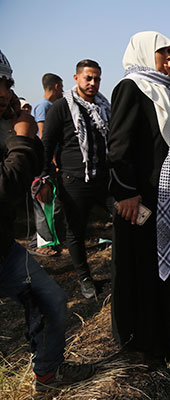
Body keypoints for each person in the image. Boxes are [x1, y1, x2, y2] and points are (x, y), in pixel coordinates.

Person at [0, 49, 95, 392]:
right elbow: (8, 184)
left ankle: (48, 373)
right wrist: (23, 135)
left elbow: (32, 160)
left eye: (6, 83)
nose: (3, 91)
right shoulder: (25, 123)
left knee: (51, 299)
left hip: (4, 248)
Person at [108, 31, 170, 355]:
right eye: (163, 53)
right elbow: (118, 146)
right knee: (141, 269)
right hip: (142, 199)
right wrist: (127, 193)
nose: (169, 59)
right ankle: (145, 341)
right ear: (147, 53)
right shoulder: (131, 87)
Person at [39, 59, 112, 299]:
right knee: (76, 232)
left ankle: (124, 271)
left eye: (97, 79)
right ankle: (84, 278)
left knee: (124, 219)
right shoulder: (61, 107)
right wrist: (45, 176)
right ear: (76, 78)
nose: (93, 83)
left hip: (104, 179)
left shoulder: (104, 107)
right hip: (74, 181)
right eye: (88, 78)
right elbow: (47, 144)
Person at [30, 73, 65, 257]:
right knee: (46, 203)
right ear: (57, 86)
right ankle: (44, 243)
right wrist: (52, 161)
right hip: (45, 164)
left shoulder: (52, 106)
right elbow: (45, 136)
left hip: (54, 161)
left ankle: (55, 241)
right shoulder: (44, 106)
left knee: (55, 204)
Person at [32, 73, 64, 137]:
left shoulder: (49, 105)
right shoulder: (43, 106)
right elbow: (42, 133)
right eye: (61, 87)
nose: (62, 91)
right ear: (56, 87)